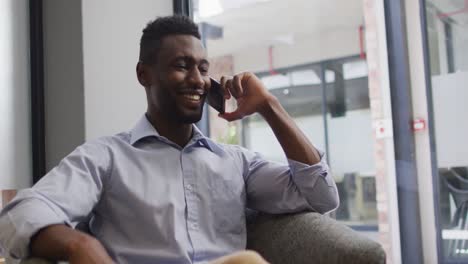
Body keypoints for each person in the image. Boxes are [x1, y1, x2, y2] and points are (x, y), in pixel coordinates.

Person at [0, 15, 339, 264]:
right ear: (144, 74)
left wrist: (269, 106)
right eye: (182, 66)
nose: (197, 80)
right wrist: (80, 247)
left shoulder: (235, 161)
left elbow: (321, 195)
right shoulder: (106, 157)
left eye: (203, 69)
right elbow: (21, 212)